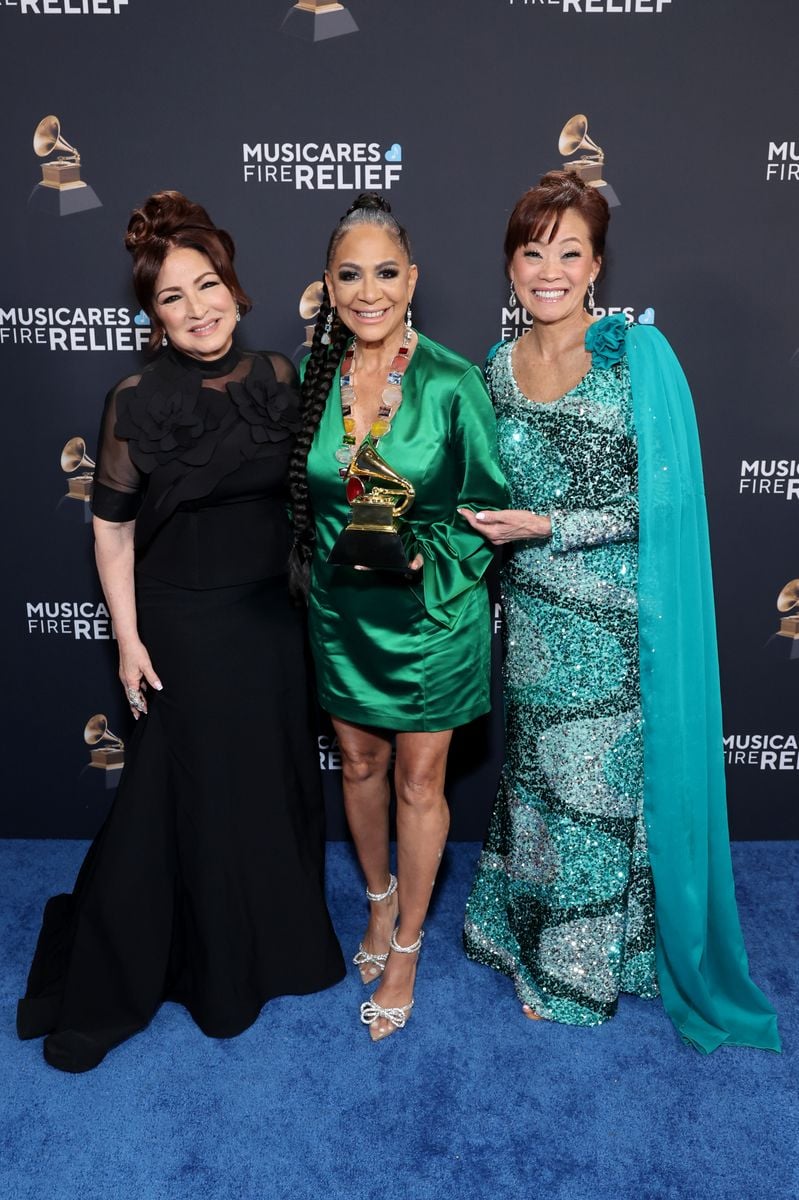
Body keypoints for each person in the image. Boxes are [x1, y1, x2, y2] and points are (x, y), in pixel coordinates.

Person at [17, 191, 344, 1072]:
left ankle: (272, 950)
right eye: (173, 296)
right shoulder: (134, 400)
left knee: (266, 784)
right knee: (182, 791)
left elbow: (313, 502)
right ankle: (167, 970)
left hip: (273, 621)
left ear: (236, 288)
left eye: (208, 287)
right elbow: (112, 529)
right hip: (181, 622)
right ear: (151, 314)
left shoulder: (281, 376)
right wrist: (127, 640)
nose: (197, 309)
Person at [463, 171, 780, 1053]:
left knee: (593, 789)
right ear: (510, 268)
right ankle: (521, 932)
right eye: (533, 253)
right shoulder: (494, 368)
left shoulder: (640, 356)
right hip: (528, 617)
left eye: (569, 251)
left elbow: (670, 503)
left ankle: (576, 970)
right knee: (536, 781)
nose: (549, 270)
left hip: (613, 619)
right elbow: (487, 487)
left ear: (596, 265)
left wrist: (552, 525)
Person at [290, 193, 508, 1041]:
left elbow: (486, 510)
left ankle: (409, 943)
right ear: (329, 286)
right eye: (350, 274)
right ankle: (377, 905)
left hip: (431, 617)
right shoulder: (317, 378)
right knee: (355, 766)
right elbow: (299, 500)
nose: (368, 290)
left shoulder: (453, 380)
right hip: (342, 616)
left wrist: (427, 556)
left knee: (420, 782)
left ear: (411, 280)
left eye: (385, 272)